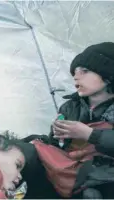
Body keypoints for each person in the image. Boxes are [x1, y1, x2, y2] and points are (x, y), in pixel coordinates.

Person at [22, 42, 114, 199]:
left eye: (84, 71)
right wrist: (59, 137)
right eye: (74, 73)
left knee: (93, 193)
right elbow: (57, 146)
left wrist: (89, 134)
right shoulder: (69, 107)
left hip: (104, 174)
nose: (76, 76)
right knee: (24, 152)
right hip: (69, 168)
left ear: (107, 76)